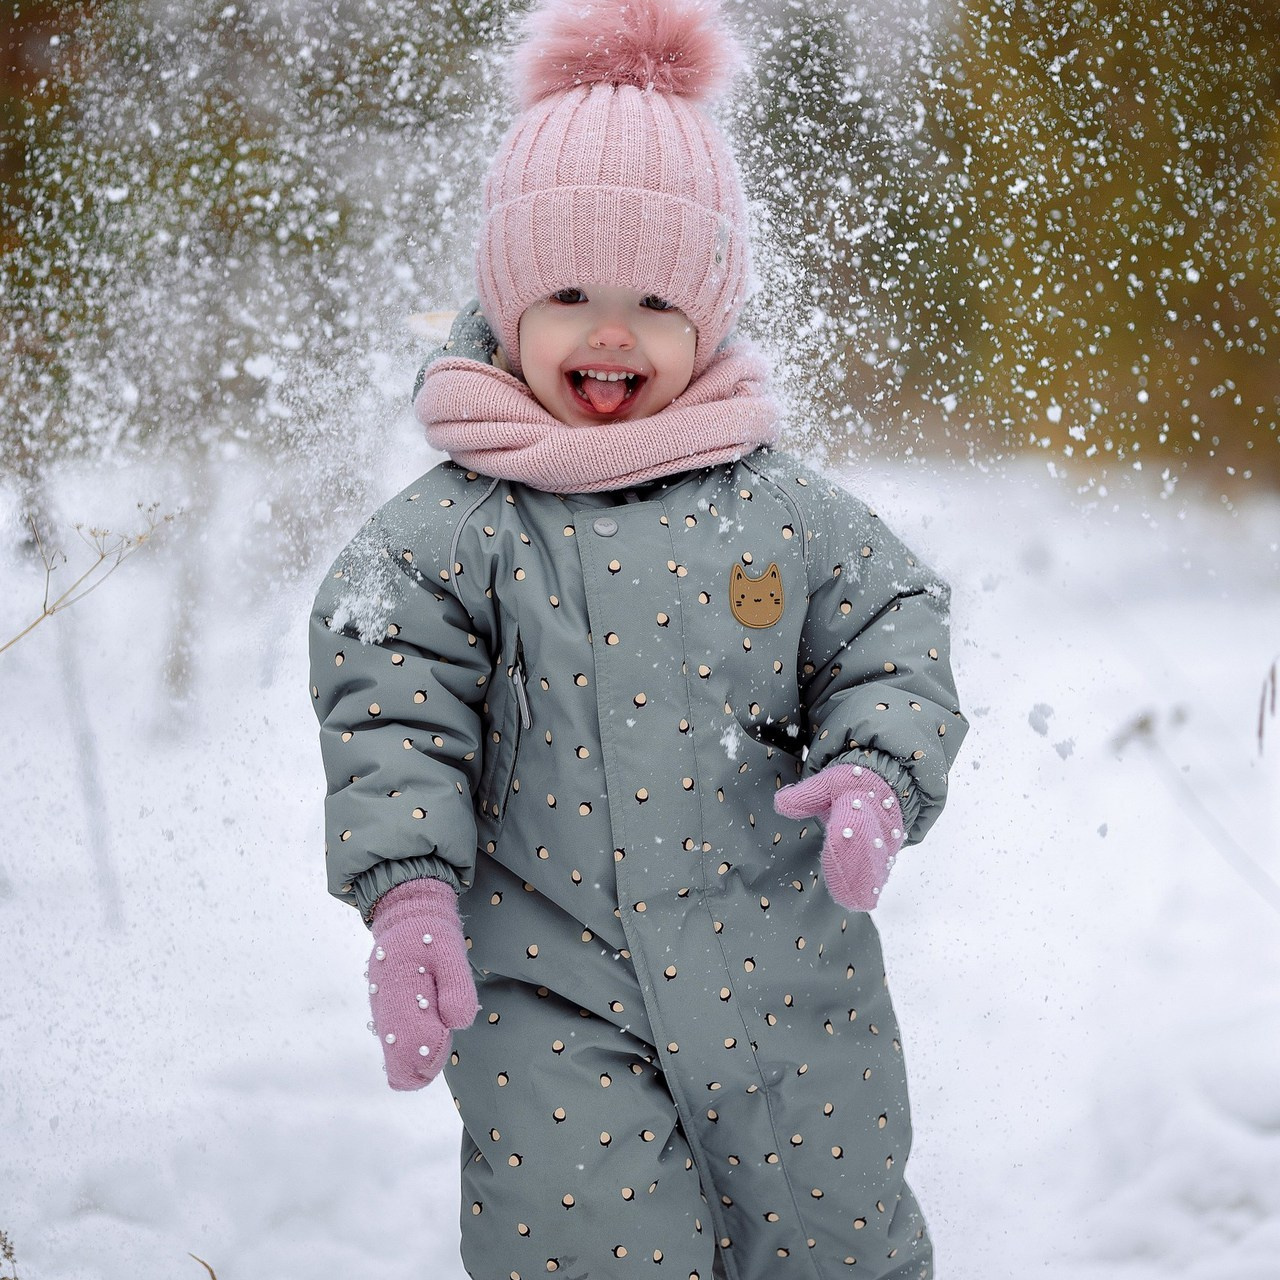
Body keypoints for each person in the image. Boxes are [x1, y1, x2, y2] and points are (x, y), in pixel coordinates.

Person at [308, 0, 967, 1276]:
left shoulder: (781, 509)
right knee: (586, 1243)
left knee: (833, 1239)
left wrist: (878, 770)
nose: (609, 334)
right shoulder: (444, 536)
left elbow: (893, 626)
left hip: (784, 975)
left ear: (708, 316)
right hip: (549, 997)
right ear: (506, 304)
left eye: (655, 300)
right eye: (566, 293)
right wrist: (409, 895)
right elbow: (388, 708)